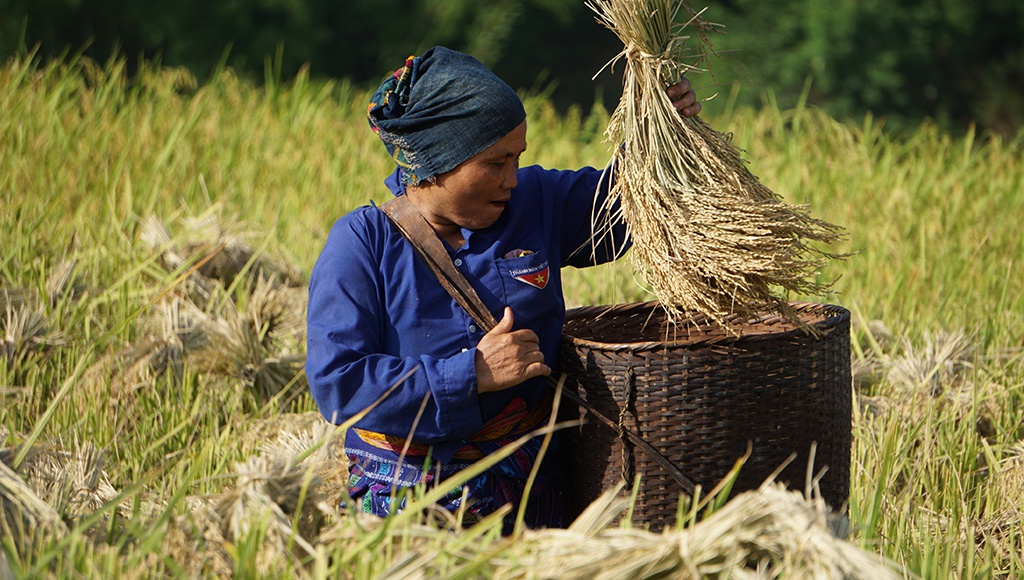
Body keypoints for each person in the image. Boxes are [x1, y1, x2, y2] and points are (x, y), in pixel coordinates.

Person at [306, 46, 700, 532]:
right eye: (495, 163)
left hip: (533, 488)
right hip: (409, 500)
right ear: (436, 162)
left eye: (517, 159)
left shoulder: (535, 203)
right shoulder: (362, 243)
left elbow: (625, 206)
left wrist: (662, 134)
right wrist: (471, 372)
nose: (511, 179)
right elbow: (339, 382)